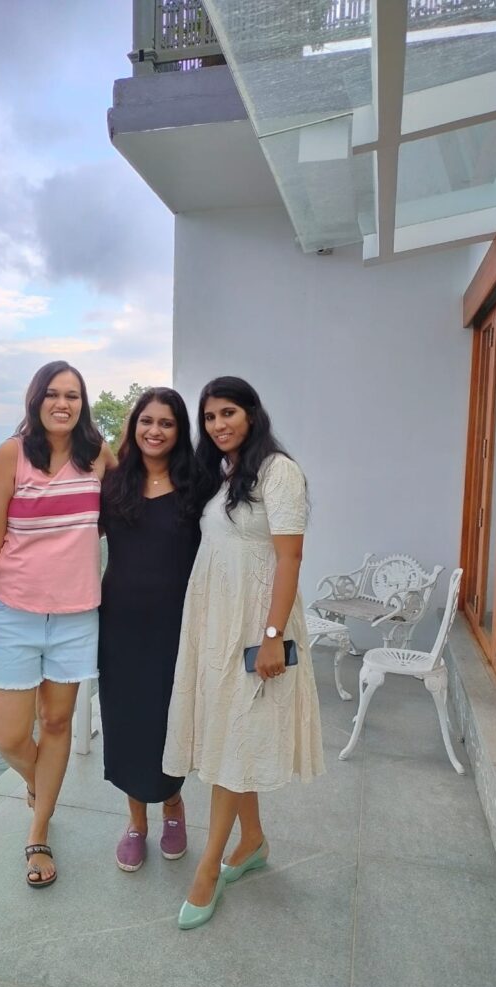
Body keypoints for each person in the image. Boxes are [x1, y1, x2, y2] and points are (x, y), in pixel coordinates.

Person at [162, 376, 324, 929]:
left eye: (228, 412)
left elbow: (290, 558)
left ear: (252, 413)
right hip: (215, 619)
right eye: (209, 417)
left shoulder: (279, 472)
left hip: (255, 623)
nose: (218, 425)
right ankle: (251, 840)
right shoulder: (224, 473)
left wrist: (274, 633)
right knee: (233, 732)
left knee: (234, 735)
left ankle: (208, 868)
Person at [0, 360, 115, 889]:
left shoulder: (96, 455)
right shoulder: (11, 456)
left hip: (76, 616)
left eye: (72, 395)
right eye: (53, 394)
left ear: (83, 404)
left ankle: (38, 830)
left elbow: (138, 497)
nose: (63, 403)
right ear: (36, 399)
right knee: (10, 738)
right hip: (12, 614)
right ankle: (40, 786)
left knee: (56, 725)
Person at [98, 388, 200, 871]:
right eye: (146, 421)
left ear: (179, 432)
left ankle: (173, 805)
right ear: (133, 426)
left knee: (168, 717)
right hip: (119, 624)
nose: (154, 431)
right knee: (127, 720)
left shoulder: (197, 487)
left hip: (177, 625)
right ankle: (136, 821)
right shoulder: (113, 484)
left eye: (166, 423)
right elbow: (70, 535)